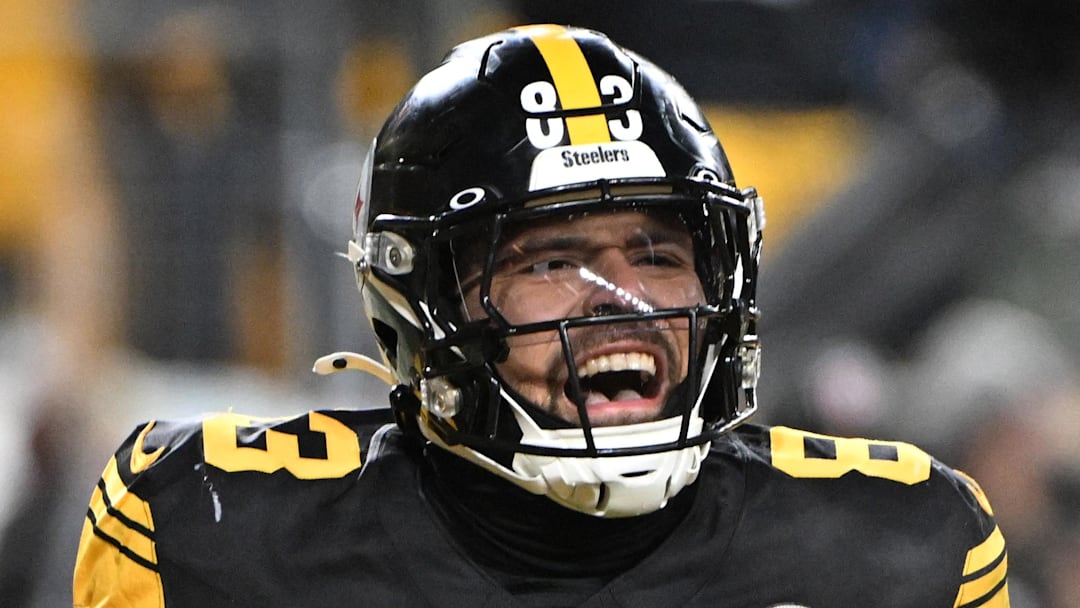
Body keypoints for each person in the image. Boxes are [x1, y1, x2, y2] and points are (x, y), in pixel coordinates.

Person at [73, 25, 1009, 607]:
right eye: (551, 262)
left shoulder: (898, 548)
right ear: (423, 297)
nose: (624, 305)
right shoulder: (220, 535)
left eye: (657, 255)